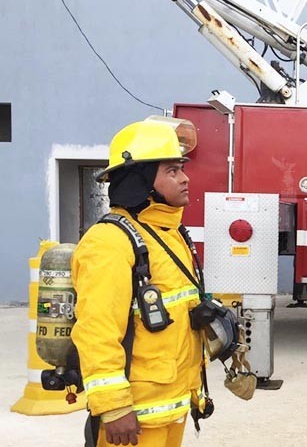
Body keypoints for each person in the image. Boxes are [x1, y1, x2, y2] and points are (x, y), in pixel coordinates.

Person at [71, 117, 207, 446]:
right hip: (133, 420)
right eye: (172, 171)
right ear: (140, 181)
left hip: (171, 407)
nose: (185, 178)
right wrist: (114, 407)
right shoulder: (109, 242)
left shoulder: (169, 234)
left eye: (182, 169)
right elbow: (97, 331)